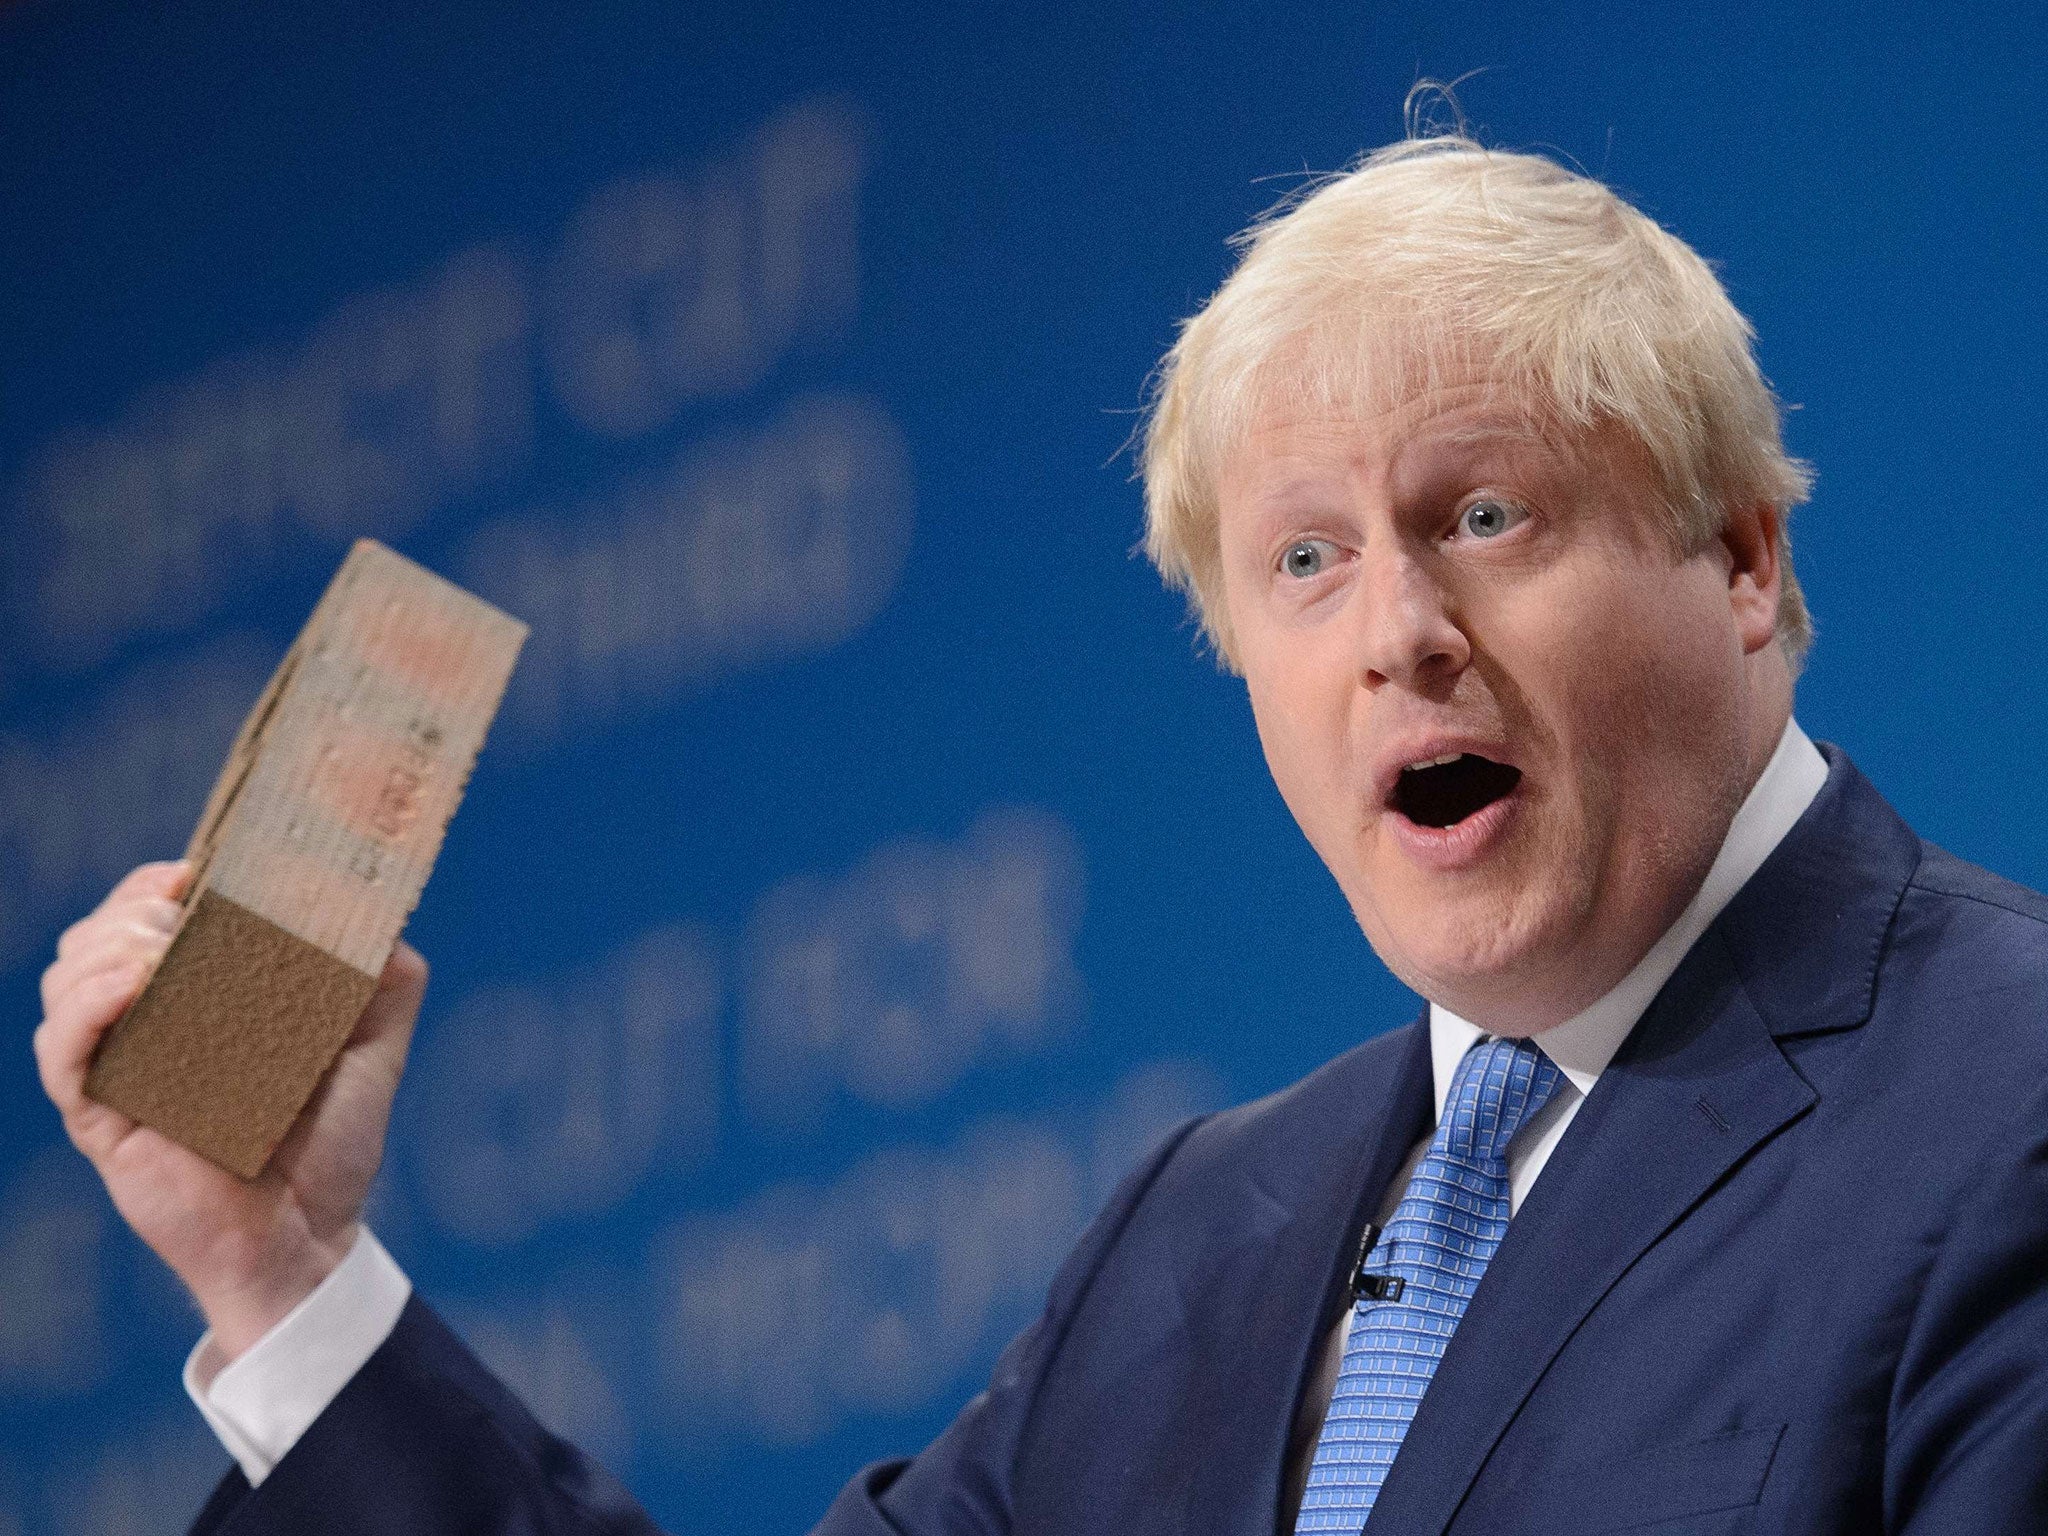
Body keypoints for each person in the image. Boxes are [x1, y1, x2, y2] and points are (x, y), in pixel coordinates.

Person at [33, 127, 2048, 1535]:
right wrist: (281, 1277)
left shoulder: (2001, 1099)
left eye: (1487, 517)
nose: (1399, 640)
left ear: (1742, 559)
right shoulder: (1197, 1243)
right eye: (1304, 563)